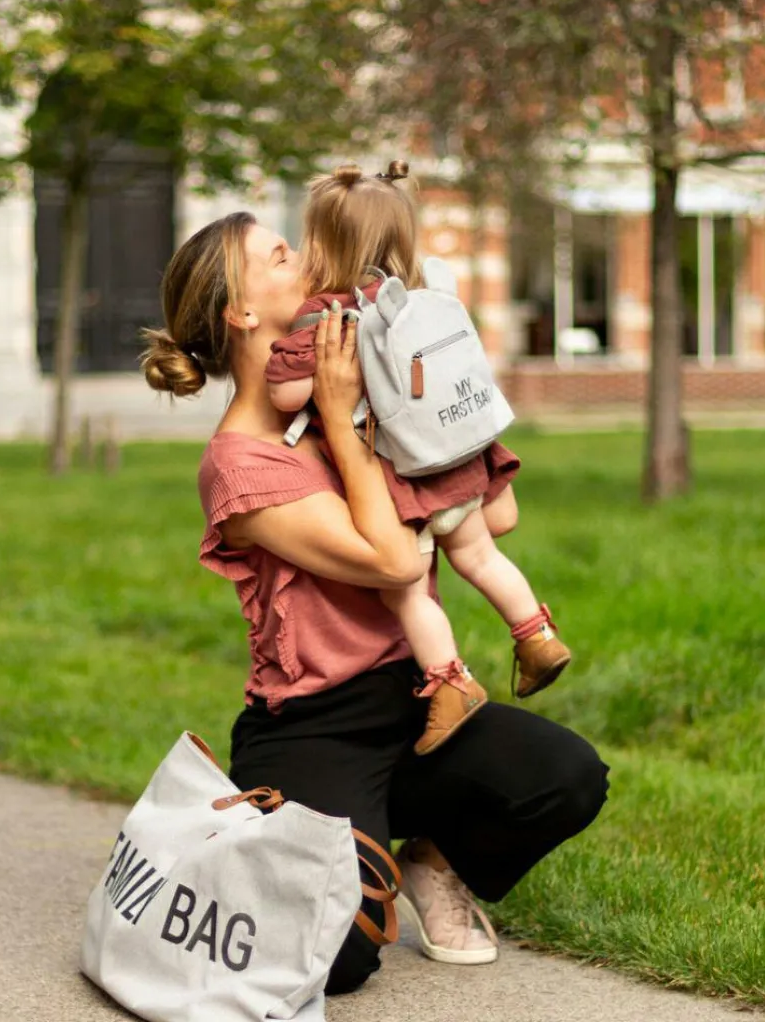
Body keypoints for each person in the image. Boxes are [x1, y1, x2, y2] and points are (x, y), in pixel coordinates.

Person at [142, 210, 609, 994]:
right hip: (314, 727)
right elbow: (393, 560)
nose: (305, 259)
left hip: (417, 700)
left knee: (567, 776)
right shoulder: (240, 464)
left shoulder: (357, 401)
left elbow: (498, 518)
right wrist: (336, 413)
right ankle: (284, 835)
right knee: (343, 957)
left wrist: (442, 378)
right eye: (281, 255)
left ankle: (426, 851)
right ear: (242, 312)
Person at [264, 161, 570, 756]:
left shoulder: (330, 315)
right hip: (458, 458)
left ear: (322, 245)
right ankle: (535, 634)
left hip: (409, 476)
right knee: (480, 555)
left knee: (408, 593)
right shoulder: (425, 296)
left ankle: (451, 684)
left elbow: (287, 393)